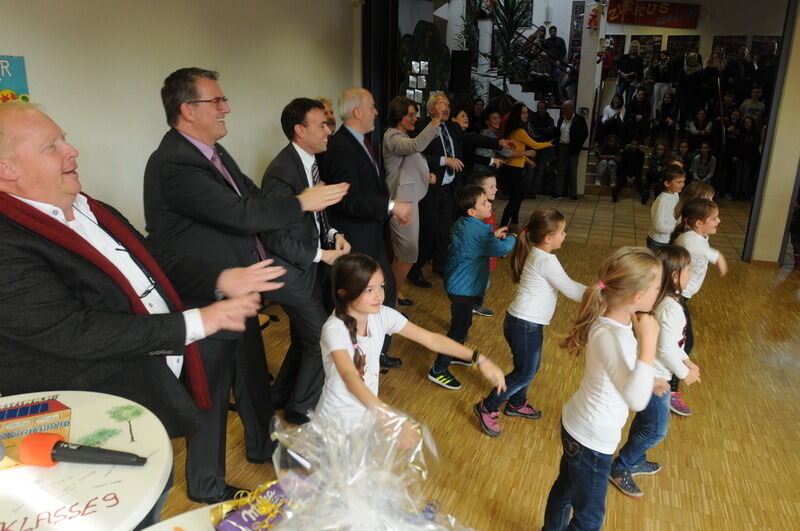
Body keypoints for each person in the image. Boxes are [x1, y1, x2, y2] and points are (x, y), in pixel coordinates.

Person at [0, 103, 285, 525]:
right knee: (120, 511)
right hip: (86, 423)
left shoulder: (90, 208)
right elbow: (71, 331)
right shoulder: (7, 243)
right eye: (51, 147)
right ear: (8, 170)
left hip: (153, 381)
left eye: (65, 138)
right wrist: (196, 322)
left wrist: (222, 278)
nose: (72, 151)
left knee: (151, 486)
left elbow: (152, 262)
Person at [143, 68, 347, 504]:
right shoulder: (175, 162)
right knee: (211, 392)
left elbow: (251, 198)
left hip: (241, 289)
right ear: (187, 109)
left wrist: (299, 211)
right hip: (206, 294)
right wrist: (300, 202)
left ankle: (261, 444)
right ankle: (206, 485)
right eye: (216, 101)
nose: (226, 107)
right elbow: (240, 215)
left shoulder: (212, 152)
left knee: (253, 375)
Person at [542, 247, 663, 531]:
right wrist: (649, 343)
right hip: (592, 440)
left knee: (565, 490)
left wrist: (648, 376)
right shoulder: (612, 335)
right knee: (589, 521)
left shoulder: (612, 324)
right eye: (657, 287)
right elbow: (636, 400)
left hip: (579, 426)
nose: (659, 292)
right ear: (637, 296)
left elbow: (620, 371)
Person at [315, 253, 506, 430]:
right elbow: (350, 376)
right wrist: (388, 416)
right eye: (369, 290)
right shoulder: (334, 330)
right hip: (335, 422)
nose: (379, 296)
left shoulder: (382, 315)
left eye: (381, 286)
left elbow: (432, 339)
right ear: (343, 293)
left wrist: (479, 359)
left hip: (367, 415)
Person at [260, 98, 352, 426]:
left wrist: (333, 235)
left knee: (304, 337)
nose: (329, 130)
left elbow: (315, 217)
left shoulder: (309, 162)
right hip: (289, 273)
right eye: (321, 125)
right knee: (321, 338)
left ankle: (280, 395)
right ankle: (300, 411)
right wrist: (321, 255)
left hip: (307, 269)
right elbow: (274, 237)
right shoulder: (281, 173)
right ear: (300, 131)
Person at [321, 88, 413, 369]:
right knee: (365, 298)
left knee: (382, 290)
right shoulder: (341, 147)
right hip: (355, 239)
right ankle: (362, 357)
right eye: (372, 107)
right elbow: (349, 200)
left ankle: (376, 352)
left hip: (370, 234)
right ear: (357, 111)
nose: (376, 112)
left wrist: (387, 210)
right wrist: (391, 206)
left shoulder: (360, 142)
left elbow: (370, 188)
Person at [474, 209, 585, 437]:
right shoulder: (546, 260)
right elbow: (572, 290)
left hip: (524, 323)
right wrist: (602, 292)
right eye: (562, 232)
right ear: (547, 238)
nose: (565, 235)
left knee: (529, 369)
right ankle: (488, 406)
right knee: (524, 372)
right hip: (524, 325)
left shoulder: (538, 253)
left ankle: (516, 403)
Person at [609, 245, 701, 498]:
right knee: (656, 430)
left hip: (655, 375)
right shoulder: (671, 308)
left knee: (645, 423)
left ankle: (634, 458)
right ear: (674, 276)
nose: (692, 273)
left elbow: (674, 345)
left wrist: (688, 361)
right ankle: (621, 466)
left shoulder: (666, 301)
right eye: (689, 269)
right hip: (656, 380)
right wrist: (684, 373)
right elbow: (665, 348)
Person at [410, 92, 511, 286]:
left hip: (450, 188)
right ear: (431, 109)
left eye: (448, 103)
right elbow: (416, 155)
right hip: (430, 188)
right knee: (428, 231)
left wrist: (498, 142)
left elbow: (472, 140)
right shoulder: (422, 128)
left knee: (444, 230)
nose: (446, 107)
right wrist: (443, 160)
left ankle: (440, 266)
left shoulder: (452, 127)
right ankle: (415, 270)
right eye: (441, 104)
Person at [427, 185, 516, 390]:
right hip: (463, 289)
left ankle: (456, 354)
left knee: (462, 323)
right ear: (472, 211)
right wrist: (513, 237)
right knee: (458, 330)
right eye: (484, 202)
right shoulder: (479, 231)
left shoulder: (466, 224)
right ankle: (438, 369)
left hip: (457, 284)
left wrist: (491, 236)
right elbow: (502, 248)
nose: (490, 204)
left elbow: (476, 242)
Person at [382, 95, 443, 306]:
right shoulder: (392, 137)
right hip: (400, 205)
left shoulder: (400, 136)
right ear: (399, 116)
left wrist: (426, 174)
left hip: (408, 202)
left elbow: (411, 160)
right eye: (410, 115)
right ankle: (389, 301)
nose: (415, 119)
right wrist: (434, 120)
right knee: (408, 255)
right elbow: (416, 145)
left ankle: (394, 294)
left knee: (404, 255)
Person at [669, 198, 728, 416]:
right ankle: (671, 390)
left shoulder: (699, 236)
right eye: (714, 218)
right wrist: (719, 257)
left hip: (682, 297)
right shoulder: (689, 238)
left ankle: (666, 382)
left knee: (680, 342)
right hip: (677, 297)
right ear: (697, 223)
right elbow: (699, 250)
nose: (719, 221)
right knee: (684, 344)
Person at [498, 102, 552, 227]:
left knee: (518, 197)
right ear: (517, 114)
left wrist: (527, 160)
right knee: (515, 199)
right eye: (523, 112)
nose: (526, 114)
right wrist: (548, 143)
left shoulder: (515, 129)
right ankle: (503, 226)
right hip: (513, 169)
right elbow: (535, 145)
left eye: (527, 112)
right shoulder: (520, 131)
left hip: (514, 167)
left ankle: (514, 223)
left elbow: (517, 149)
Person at [468, 170, 501, 318]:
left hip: (486, 256)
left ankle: (473, 304)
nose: (496, 189)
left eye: (495, 185)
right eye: (491, 187)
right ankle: (472, 305)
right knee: (482, 282)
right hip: (480, 258)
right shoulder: (478, 214)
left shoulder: (488, 208)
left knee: (484, 281)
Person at [554, 101, 589, 201]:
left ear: (571, 109)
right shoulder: (561, 119)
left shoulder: (580, 119)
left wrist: (578, 145)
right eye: (563, 108)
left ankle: (573, 194)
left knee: (573, 172)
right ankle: (558, 193)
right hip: (562, 147)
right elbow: (557, 133)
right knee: (560, 171)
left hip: (573, 148)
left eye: (565, 108)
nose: (563, 110)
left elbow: (585, 133)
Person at [647, 165, 686, 250]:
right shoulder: (663, 200)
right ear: (667, 183)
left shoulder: (675, 194)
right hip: (658, 241)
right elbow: (658, 226)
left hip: (668, 240)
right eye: (679, 182)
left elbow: (675, 213)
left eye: (683, 181)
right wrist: (678, 227)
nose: (682, 185)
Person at [731, 117, 761, 200]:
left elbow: (755, 147)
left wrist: (752, 158)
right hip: (739, 157)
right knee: (738, 175)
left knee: (746, 176)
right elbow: (736, 145)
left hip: (749, 159)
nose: (747, 124)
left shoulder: (756, 134)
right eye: (745, 122)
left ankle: (744, 194)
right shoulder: (740, 132)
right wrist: (734, 155)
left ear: (752, 124)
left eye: (749, 122)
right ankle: (736, 193)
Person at [612, 139, 645, 203]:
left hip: (635, 173)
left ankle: (644, 194)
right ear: (630, 145)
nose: (634, 146)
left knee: (638, 182)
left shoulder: (641, 154)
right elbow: (623, 166)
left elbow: (640, 167)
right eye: (632, 144)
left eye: (635, 145)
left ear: (638, 146)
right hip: (625, 172)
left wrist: (633, 177)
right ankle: (615, 194)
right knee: (621, 180)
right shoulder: (625, 153)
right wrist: (627, 177)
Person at [615, 40, 644, 104]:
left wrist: (632, 74)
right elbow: (617, 67)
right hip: (621, 81)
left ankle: (627, 114)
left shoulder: (639, 59)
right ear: (630, 47)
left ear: (638, 48)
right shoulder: (623, 57)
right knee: (617, 100)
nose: (633, 48)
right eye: (632, 46)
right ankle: (615, 113)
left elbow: (640, 72)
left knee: (628, 102)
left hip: (632, 83)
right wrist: (621, 73)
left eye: (635, 47)